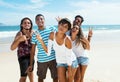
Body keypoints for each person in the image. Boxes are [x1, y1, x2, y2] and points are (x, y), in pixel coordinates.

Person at [28, 14, 58, 82]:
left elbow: (61, 35)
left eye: (41, 19)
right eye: (37, 19)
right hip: (41, 60)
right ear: (35, 22)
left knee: (55, 77)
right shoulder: (35, 34)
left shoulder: (52, 28)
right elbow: (32, 51)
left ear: (44, 20)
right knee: (40, 78)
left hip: (53, 58)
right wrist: (31, 64)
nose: (40, 20)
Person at [10, 17, 34, 82]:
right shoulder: (19, 34)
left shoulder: (33, 33)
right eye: (25, 23)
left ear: (31, 25)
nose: (27, 24)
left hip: (31, 57)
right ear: (21, 25)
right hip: (22, 57)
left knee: (31, 75)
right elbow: (12, 48)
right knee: (24, 76)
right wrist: (19, 40)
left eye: (29, 23)